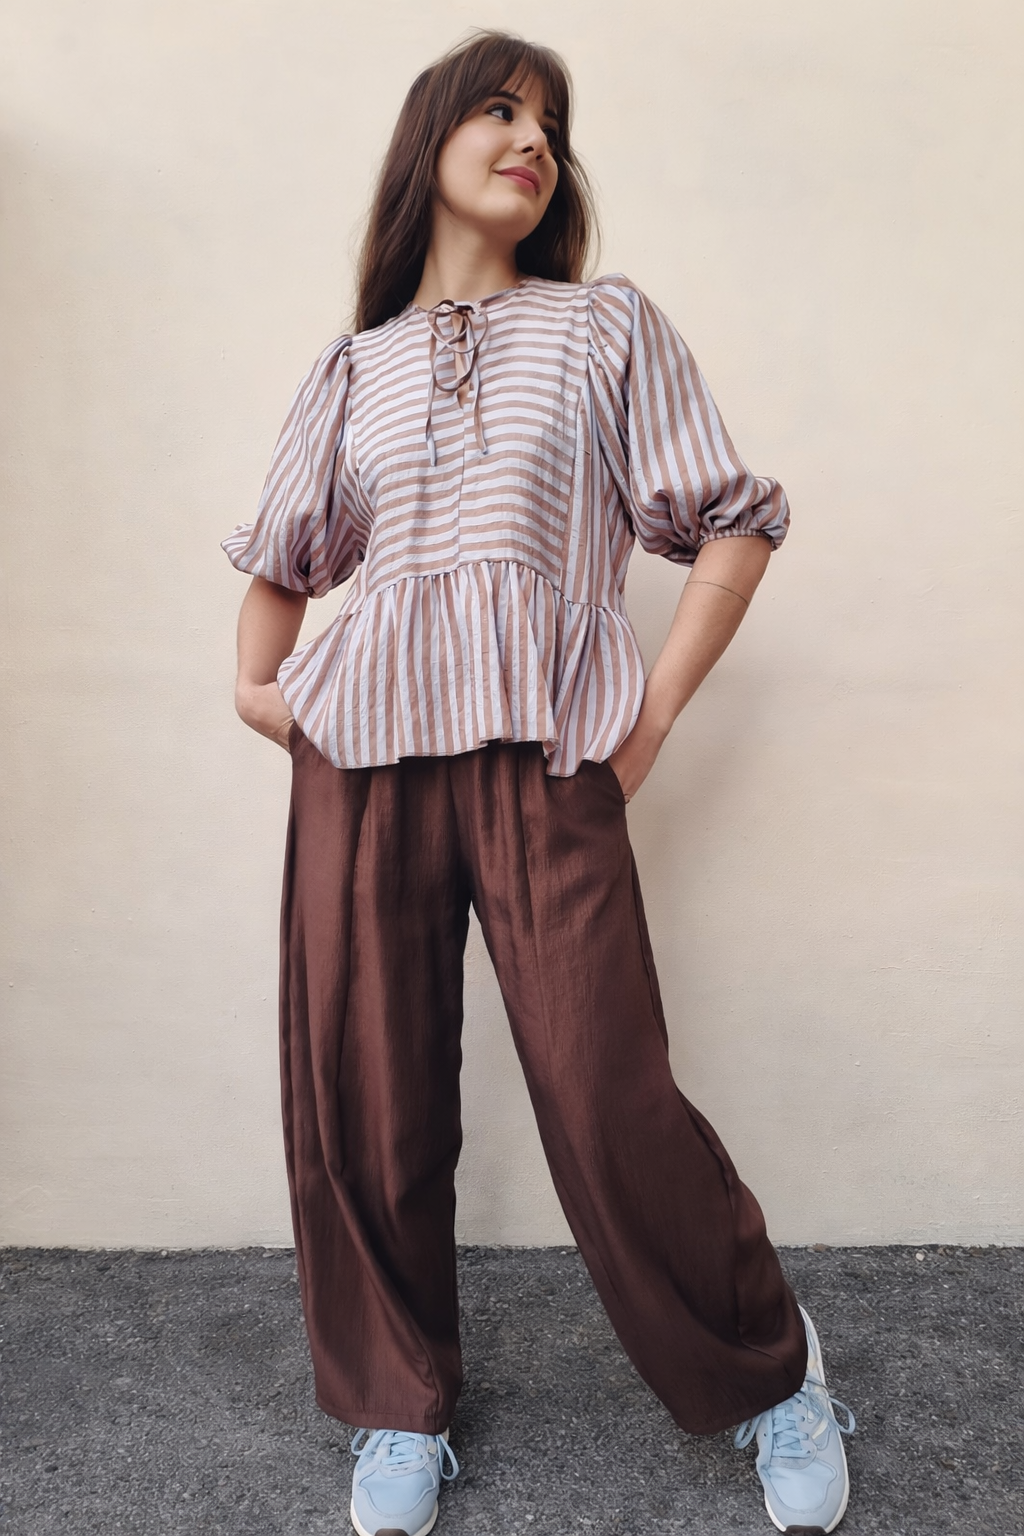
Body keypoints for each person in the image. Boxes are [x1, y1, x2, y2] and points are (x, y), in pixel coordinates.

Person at [222, 28, 855, 1536]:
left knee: (602, 1082)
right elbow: (284, 563)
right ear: (429, 137)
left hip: (543, 752)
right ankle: (397, 1404)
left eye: (552, 126)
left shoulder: (602, 328)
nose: (534, 142)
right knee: (366, 1093)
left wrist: (650, 719)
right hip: (363, 758)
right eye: (502, 110)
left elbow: (733, 521)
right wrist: (264, 695)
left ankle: (772, 1373)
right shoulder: (351, 367)